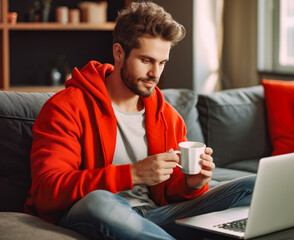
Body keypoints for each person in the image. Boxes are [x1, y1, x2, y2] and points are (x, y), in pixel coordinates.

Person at [24, 2, 255, 239]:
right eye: (146, 60)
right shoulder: (67, 107)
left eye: (162, 63)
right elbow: (46, 190)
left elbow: (168, 190)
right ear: (119, 53)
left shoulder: (168, 116)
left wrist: (191, 184)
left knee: (253, 186)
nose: (155, 73)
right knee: (98, 201)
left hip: (156, 216)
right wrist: (132, 173)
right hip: (96, 212)